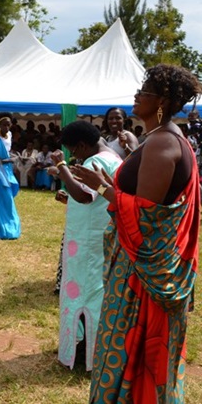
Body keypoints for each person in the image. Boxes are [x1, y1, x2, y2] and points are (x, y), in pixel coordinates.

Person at [74, 64, 201, 402]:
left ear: (161, 101)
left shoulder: (162, 144)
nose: (136, 94)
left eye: (144, 90)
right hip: (141, 271)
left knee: (133, 352)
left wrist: (102, 188)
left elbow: (145, 216)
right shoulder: (159, 140)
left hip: (142, 277)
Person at [45, 121, 121, 371]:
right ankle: (93, 350)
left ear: (81, 145)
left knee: (84, 294)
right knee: (96, 292)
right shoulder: (113, 156)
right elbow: (94, 198)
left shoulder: (95, 162)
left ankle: (83, 354)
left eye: (72, 151)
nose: (72, 156)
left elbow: (85, 196)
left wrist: (61, 166)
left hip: (88, 244)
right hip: (99, 237)